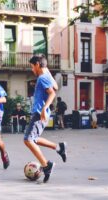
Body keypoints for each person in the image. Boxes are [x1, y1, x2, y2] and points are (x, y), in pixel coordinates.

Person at [24, 54, 67, 183]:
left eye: (32, 67)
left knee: (28, 140)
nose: (32, 70)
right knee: (34, 139)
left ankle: (46, 165)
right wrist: (46, 69)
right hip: (40, 113)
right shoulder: (46, 75)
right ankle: (59, 147)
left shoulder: (42, 78)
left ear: (37, 64)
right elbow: (56, 87)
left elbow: (52, 93)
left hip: (39, 113)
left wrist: (44, 108)